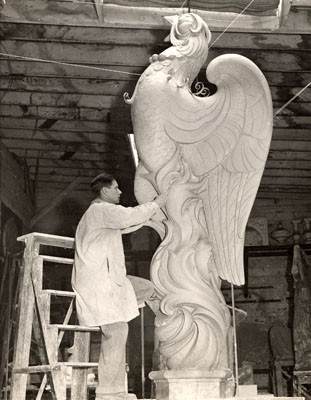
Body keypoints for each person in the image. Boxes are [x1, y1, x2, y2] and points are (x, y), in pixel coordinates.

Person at [72, 173, 166, 400]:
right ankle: (108, 392)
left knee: (148, 289)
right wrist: (158, 203)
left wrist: (148, 220)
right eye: (116, 188)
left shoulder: (99, 216)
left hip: (109, 282)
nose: (120, 192)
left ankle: (166, 323)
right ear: (105, 191)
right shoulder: (100, 211)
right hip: (100, 285)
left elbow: (124, 225)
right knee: (116, 330)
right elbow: (127, 217)